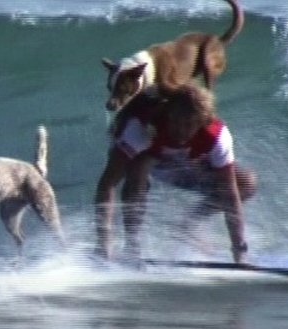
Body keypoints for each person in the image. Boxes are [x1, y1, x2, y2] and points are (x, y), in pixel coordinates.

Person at [94, 84, 256, 264]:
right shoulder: (139, 129)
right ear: (168, 114)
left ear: (201, 122)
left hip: (184, 164)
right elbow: (107, 184)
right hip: (150, 158)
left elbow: (230, 195)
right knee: (139, 169)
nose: (181, 131)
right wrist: (103, 244)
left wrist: (239, 251)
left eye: (189, 125)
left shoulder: (217, 136)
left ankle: (188, 225)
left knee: (245, 184)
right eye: (176, 122)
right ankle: (132, 246)